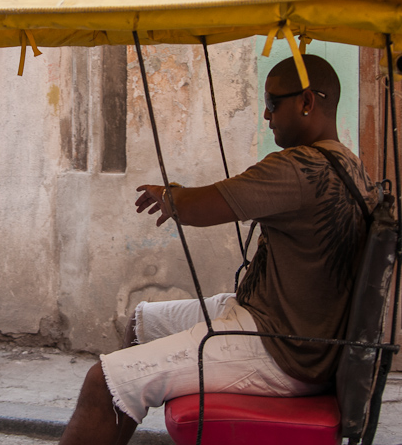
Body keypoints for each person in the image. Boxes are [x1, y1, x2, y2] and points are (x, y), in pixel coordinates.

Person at [58, 55, 378, 445]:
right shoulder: (351, 164)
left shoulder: (297, 167)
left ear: (307, 102)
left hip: (282, 349)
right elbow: (212, 200)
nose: (265, 114)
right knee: (142, 323)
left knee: (102, 381)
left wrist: (171, 197)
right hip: (290, 328)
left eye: (273, 103)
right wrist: (180, 197)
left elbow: (198, 208)